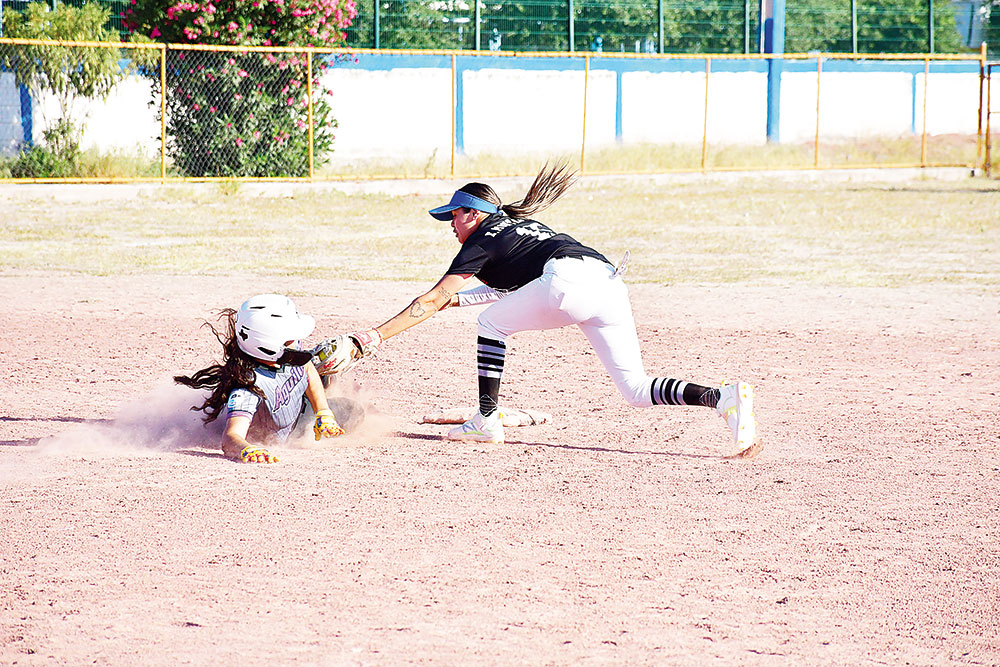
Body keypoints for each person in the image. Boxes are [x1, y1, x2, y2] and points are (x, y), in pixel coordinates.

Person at [324, 163, 760, 457]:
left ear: (473, 214)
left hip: (568, 282)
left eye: (453, 216)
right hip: (607, 281)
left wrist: (372, 337)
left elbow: (434, 298)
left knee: (491, 325)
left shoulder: (482, 236)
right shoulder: (520, 227)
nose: (451, 226)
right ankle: (720, 397)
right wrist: (456, 300)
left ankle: (486, 421)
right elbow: (526, 288)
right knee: (635, 389)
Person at [175, 294, 345, 463]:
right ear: (268, 346)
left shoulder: (282, 350)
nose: (296, 340)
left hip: (296, 401)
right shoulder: (247, 389)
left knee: (326, 370)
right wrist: (247, 449)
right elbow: (231, 437)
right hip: (294, 427)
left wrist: (323, 412)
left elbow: (306, 367)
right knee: (354, 411)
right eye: (290, 337)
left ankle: (331, 368)